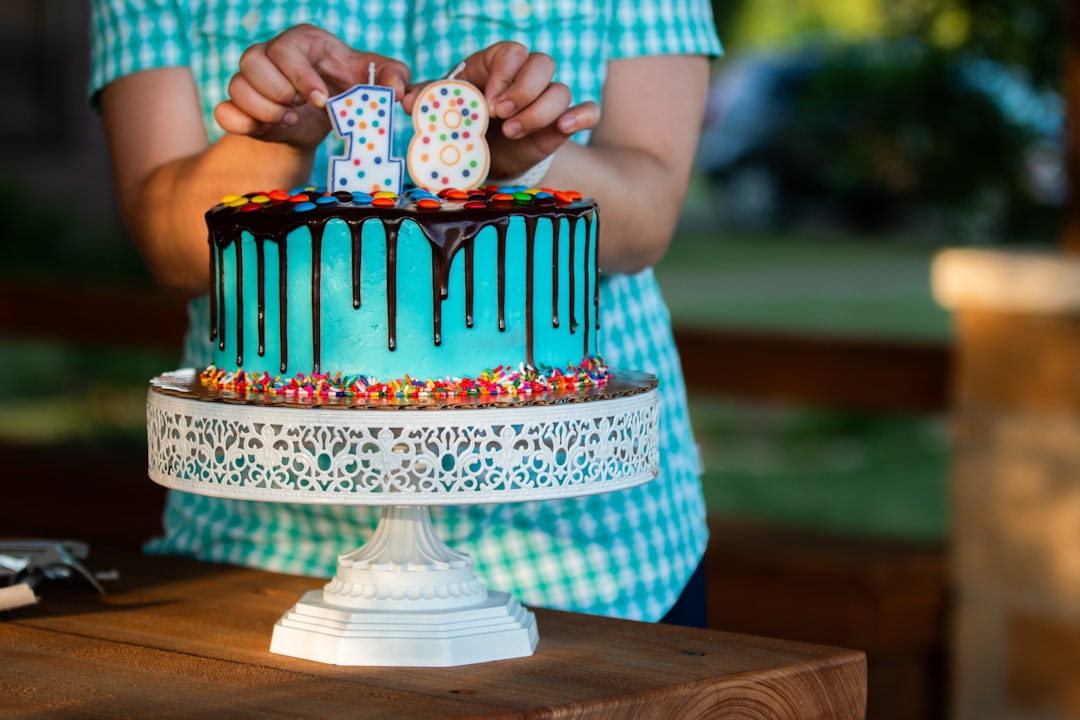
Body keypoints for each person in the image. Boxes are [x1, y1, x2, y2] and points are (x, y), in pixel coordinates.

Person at [90, 1, 722, 626]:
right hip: (259, 553)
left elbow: (648, 218)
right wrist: (279, 142)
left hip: (593, 563)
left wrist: (518, 159)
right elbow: (168, 250)